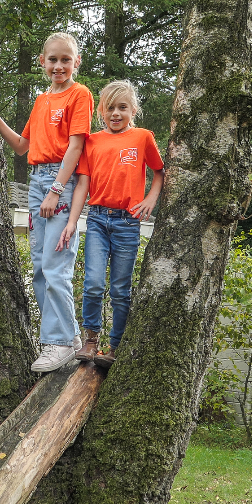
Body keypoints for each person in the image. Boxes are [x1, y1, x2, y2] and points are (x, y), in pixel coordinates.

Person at [0, 32, 93, 372]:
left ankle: (58, 342)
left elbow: (76, 147)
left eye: (65, 60)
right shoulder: (41, 101)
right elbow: (23, 146)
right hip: (37, 179)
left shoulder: (79, 94)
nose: (58, 65)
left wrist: (56, 189)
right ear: (42, 61)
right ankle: (67, 340)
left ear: (76, 63)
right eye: (52, 59)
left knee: (56, 266)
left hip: (59, 182)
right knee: (40, 268)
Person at [57, 79, 164, 368]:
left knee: (120, 288)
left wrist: (151, 199)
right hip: (97, 220)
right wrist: (72, 221)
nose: (116, 113)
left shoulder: (142, 138)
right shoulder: (92, 141)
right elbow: (83, 183)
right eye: (110, 108)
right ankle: (90, 340)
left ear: (133, 110)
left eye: (123, 108)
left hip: (127, 222)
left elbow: (160, 171)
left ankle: (113, 347)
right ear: (101, 111)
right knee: (92, 283)